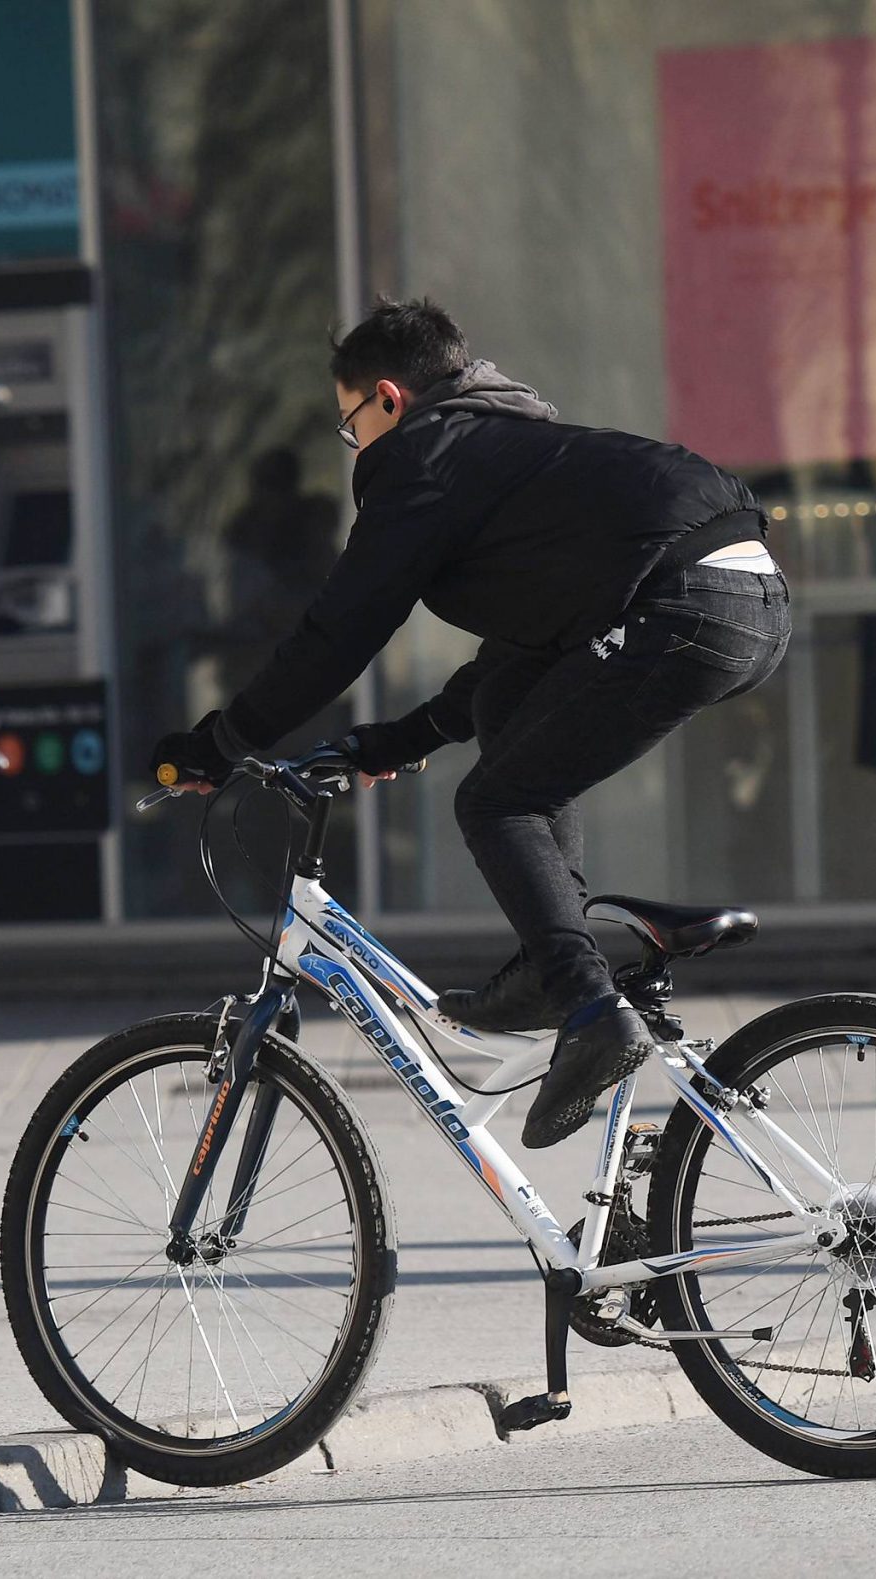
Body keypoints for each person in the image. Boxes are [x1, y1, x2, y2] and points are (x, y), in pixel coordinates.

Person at [150, 297, 789, 1149]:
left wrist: (221, 741)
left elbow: (339, 628)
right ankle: (554, 968)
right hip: (753, 600)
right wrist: (399, 739)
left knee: (498, 802)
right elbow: (519, 656)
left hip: (683, 601)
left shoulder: (424, 456)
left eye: (350, 426)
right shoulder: (505, 444)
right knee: (509, 717)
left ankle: (586, 1003)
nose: (357, 448)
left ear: (387, 398)